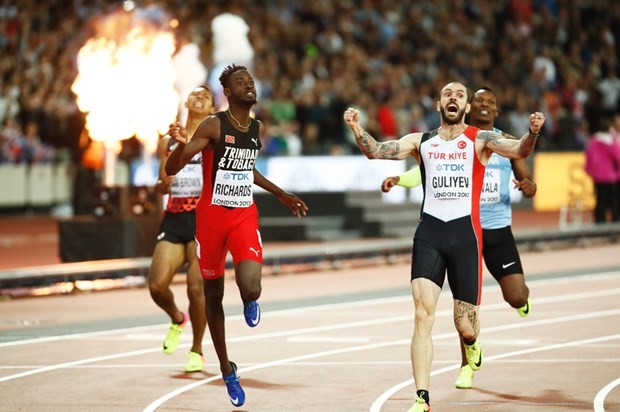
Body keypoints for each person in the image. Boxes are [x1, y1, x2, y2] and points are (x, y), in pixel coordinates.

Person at [343, 81, 545, 412]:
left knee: (465, 324)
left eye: (460, 95)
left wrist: (533, 132)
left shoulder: (481, 139)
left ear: (466, 107)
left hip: (466, 237)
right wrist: (356, 127)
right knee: (422, 315)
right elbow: (376, 150)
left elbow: (520, 150)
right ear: (439, 104)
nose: (454, 98)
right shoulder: (421, 141)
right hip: (430, 235)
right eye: (447, 94)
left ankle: (472, 343)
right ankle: (421, 398)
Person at [165, 64, 308, 407]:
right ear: (228, 93)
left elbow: (248, 169)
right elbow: (172, 168)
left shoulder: (257, 128)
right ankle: (227, 369)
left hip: (243, 215)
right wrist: (181, 146)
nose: (249, 86)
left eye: (251, 81)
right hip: (211, 220)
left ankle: (249, 299)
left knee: (251, 287)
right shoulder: (213, 124)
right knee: (213, 295)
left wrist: (281, 193)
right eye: (240, 83)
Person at [147, 85, 214, 373]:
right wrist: (162, 185)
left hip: (203, 221)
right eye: (195, 94)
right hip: (174, 219)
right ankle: (177, 318)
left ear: (212, 109)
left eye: (206, 96)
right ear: (186, 102)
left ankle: (197, 350)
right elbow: (160, 184)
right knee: (156, 286)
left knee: (196, 288)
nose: (200, 97)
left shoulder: (214, 139)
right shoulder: (168, 140)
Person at [585, 116, 620, 223]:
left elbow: (588, 156)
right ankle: (615, 221)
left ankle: (599, 222)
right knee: (614, 201)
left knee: (600, 200)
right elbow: (618, 156)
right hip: (610, 176)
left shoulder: (593, 140)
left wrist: (589, 170)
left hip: (597, 176)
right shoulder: (610, 141)